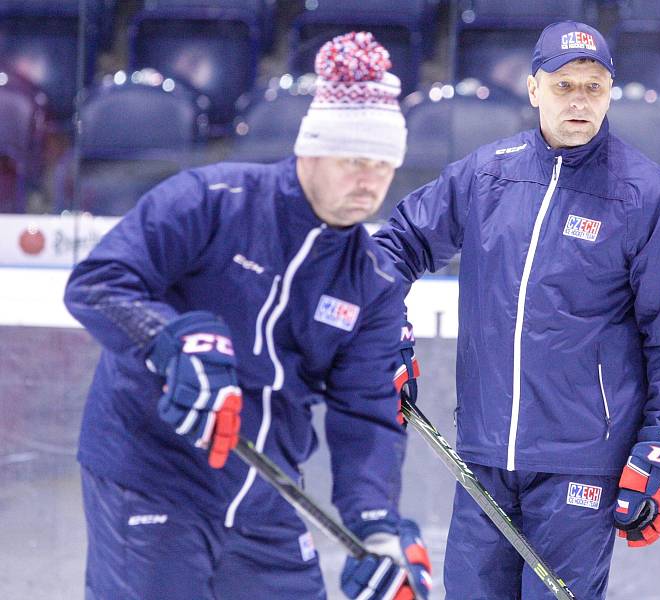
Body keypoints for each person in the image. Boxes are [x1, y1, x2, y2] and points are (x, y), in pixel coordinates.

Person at [64, 32, 431, 600]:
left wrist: (378, 527)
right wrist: (169, 340)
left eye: (383, 165)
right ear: (310, 149)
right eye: (354, 160)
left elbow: (368, 412)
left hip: (264, 496)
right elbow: (98, 284)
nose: (369, 181)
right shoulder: (212, 199)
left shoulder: (373, 284)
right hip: (154, 476)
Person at [373, 21, 660, 600]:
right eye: (564, 85)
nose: (580, 100)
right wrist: (381, 332)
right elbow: (391, 245)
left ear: (610, 92)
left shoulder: (645, 195)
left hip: (582, 463)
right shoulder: (487, 175)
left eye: (594, 86)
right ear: (533, 89)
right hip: (481, 454)